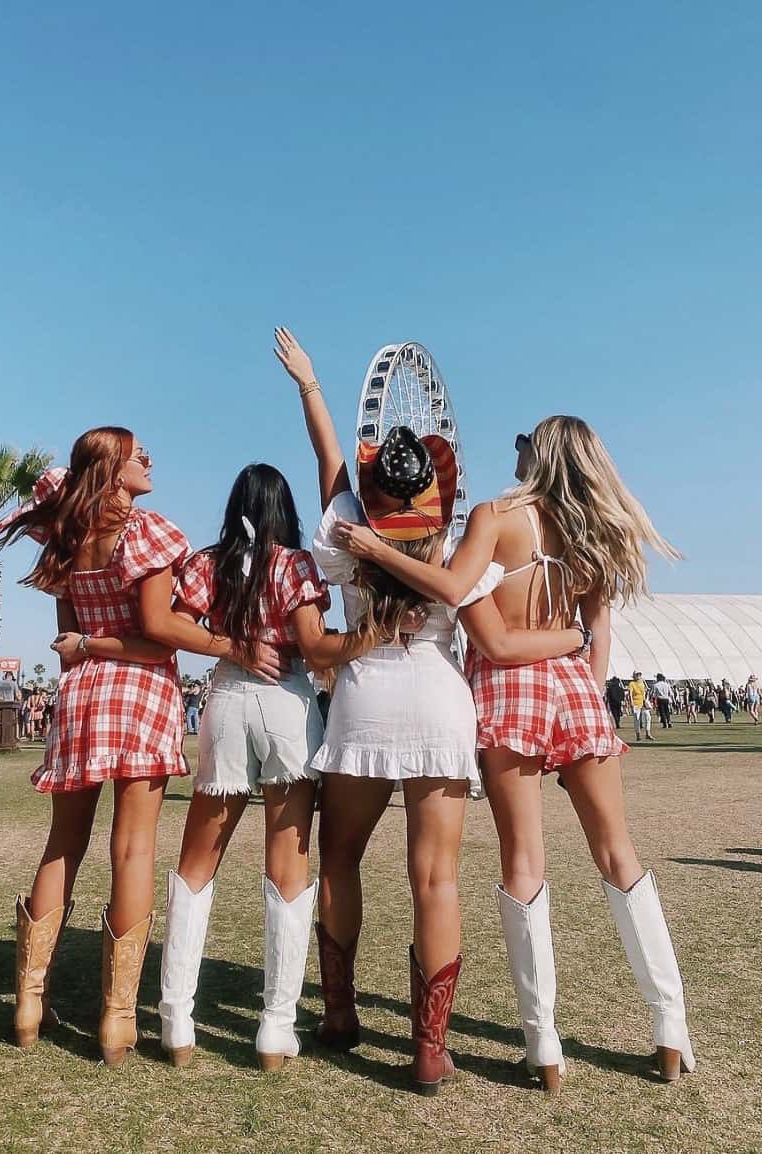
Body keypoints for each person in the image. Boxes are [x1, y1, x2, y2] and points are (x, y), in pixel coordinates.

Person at [335, 415, 696, 1090]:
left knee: (523, 862)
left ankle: (544, 1044)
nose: (516, 445)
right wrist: (580, 689)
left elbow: (455, 594)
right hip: (574, 688)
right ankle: (669, 1025)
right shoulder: (594, 530)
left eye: (526, 437)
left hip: (510, 691)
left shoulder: (498, 516)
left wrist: (377, 550)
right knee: (620, 855)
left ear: (543, 451)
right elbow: (597, 632)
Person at [275, 329, 586, 1095]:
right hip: (440, 701)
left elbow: (328, 462)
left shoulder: (349, 522)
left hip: (365, 698)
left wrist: (311, 385)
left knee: (341, 856)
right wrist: (578, 634)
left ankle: (340, 1012)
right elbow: (493, 634)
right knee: (436, 879)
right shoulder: (454, 531)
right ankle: (429, 1046)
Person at [0, 426, 284, 1067]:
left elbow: (69, 639)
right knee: (133, 848)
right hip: (140, 695)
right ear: (113, 469)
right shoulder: (144, 532)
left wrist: (90, 646)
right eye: (136, 455)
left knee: (61, 845)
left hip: (79, 698)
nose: (148, 459)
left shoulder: (69, 535)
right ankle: (118, 1019)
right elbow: (158, 633)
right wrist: (234, 646)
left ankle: (27, 1001)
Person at [153, 463, 373, 1073]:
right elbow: (308, 640)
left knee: (198, 858)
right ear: (284, 509)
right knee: (287, 863)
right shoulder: (295, 565)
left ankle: (176, 1017)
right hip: (288, 701)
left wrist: (231, 644)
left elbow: (171, 621)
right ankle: (276, 1026)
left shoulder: (208, 561)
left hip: (226, 697)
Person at [628, 672, 654, 741]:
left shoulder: (642, 682)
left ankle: (648, 733)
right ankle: (638, 735)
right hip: (636, 703)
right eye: (637, 675)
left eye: (639, 675)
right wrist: (631, 702)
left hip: (643, 702)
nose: (639, 676)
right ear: (634, 676)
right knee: (637, 719)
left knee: (648, 717)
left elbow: (645, 690)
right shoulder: (632, 684)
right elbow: (630, 694)